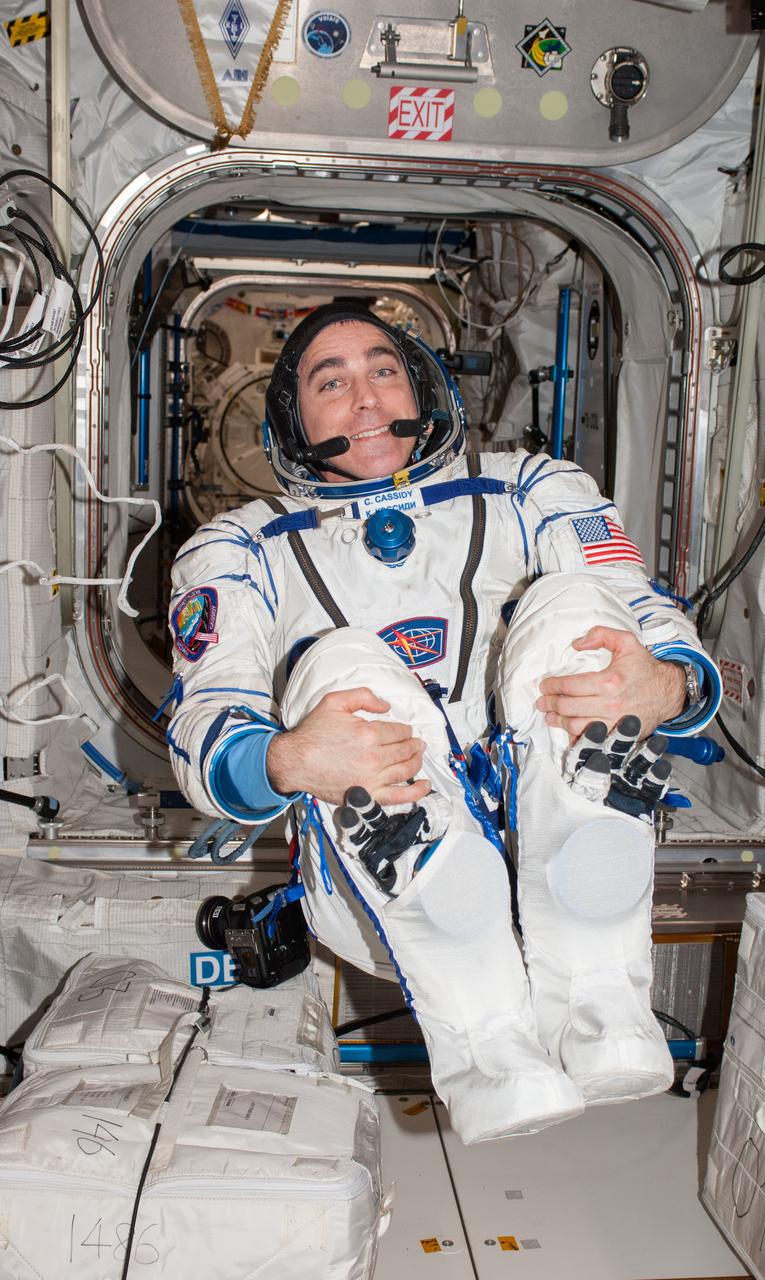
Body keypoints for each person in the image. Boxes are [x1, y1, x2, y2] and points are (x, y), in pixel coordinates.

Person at [167, 302, 721, 1143]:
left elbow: (640, 610)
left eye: (383, 369)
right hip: (375, 884)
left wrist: (668, 684)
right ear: (292, 419)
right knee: (342, 669)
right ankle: (486, 1046)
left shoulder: (533, 487)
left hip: (546, 823)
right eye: (331, 381)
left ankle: (602, 1002)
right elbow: (204, 719)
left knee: (580, 609)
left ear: (420, 387)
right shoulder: (238, 549)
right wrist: (286, 759)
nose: (364, 398)